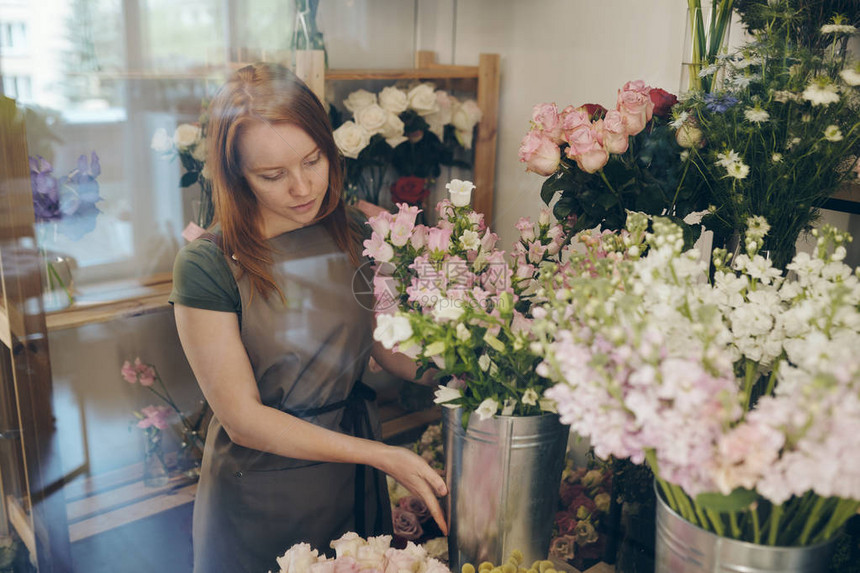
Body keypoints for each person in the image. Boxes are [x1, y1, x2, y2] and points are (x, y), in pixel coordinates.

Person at [169, 62, 447, 573]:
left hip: (351, 484)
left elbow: (387, 347)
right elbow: (244, 419)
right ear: (236, 176)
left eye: (313, 160)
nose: (302, 188)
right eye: (272, 176)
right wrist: (380, 455)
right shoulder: (207, 265)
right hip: (260, 497)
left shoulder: (356, 227)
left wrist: (477, 370)